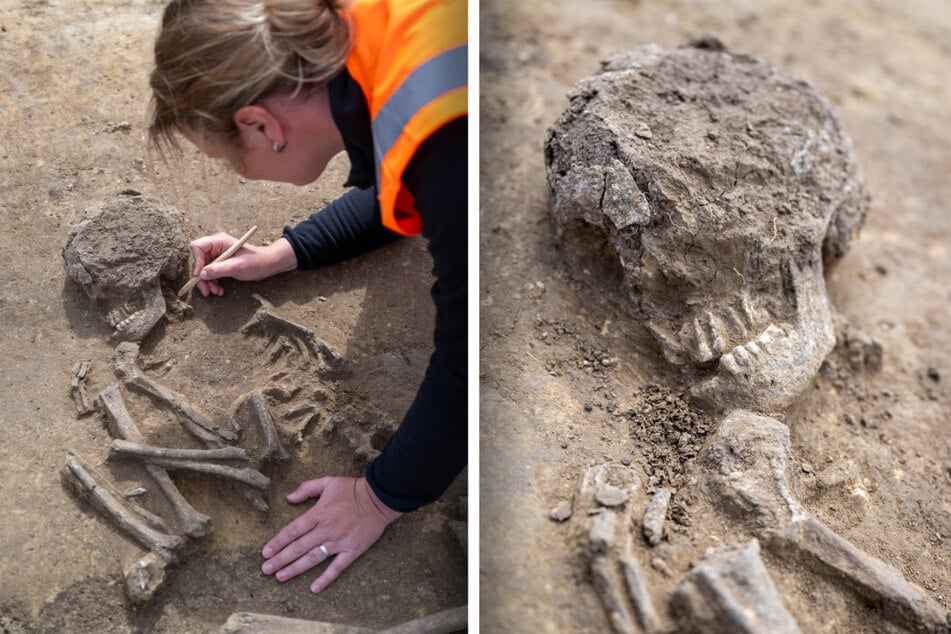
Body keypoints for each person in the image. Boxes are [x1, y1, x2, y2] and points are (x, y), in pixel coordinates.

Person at [148, 0, 467, 594]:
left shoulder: (449, 145)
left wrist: (378, 497)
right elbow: (404, 171)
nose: (236, 175)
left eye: (224, 159)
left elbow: (471, 354)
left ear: (262, 125)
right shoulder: (368, 29)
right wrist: (284, 252)